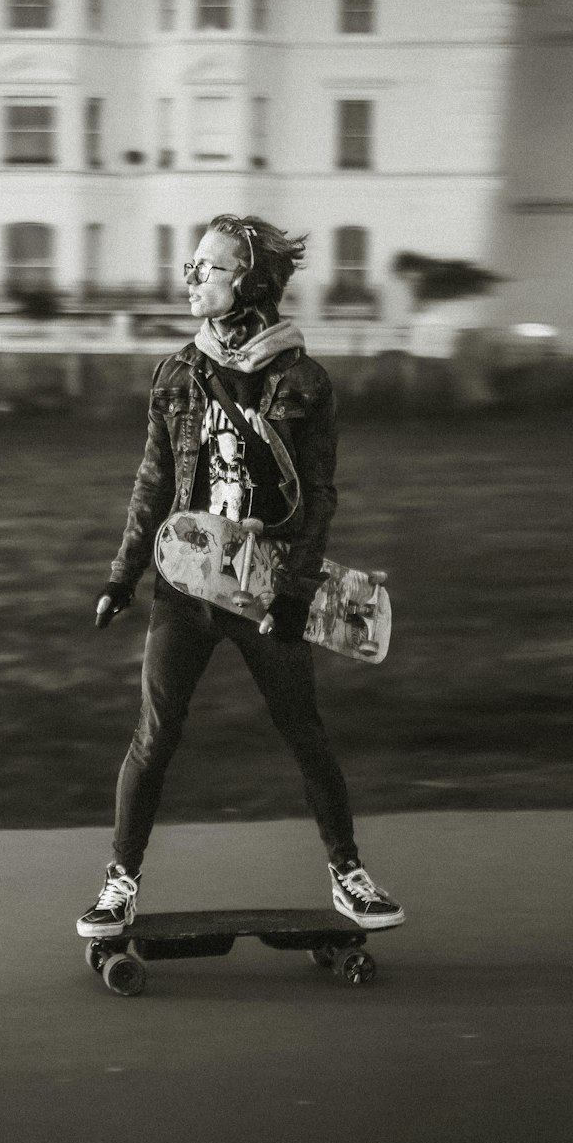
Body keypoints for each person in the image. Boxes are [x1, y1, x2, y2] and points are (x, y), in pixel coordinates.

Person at [77, 214, 403, 938]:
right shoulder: (176, 374)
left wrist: (295, 592)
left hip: (266, 588)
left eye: (209, 268)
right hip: (187, 586)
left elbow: (319, 496)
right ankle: (119, 884)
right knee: (155, 734)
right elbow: (152, 483)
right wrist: (122, 576)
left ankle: (348, 875)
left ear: (250, 283)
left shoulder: (306, 383)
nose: (190, 278)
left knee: (303, 731)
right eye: (192, 265)